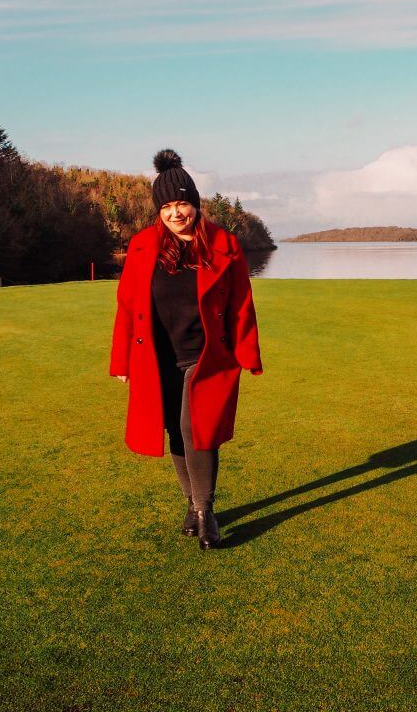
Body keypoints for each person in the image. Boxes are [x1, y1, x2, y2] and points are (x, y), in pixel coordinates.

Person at [109, 148, 262, 550]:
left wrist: (248, 354)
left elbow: (241, 304)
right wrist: (121, 359)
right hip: (157, 357)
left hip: (208, 356)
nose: (176, 213)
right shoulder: (142, 247)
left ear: (196, 204)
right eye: (167, 206)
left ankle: (206, 510)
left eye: (183, 204)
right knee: (174, 429)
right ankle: (192, 506)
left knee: (199, 430)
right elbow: (127, 306)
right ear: (158, 210)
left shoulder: (223, 245)